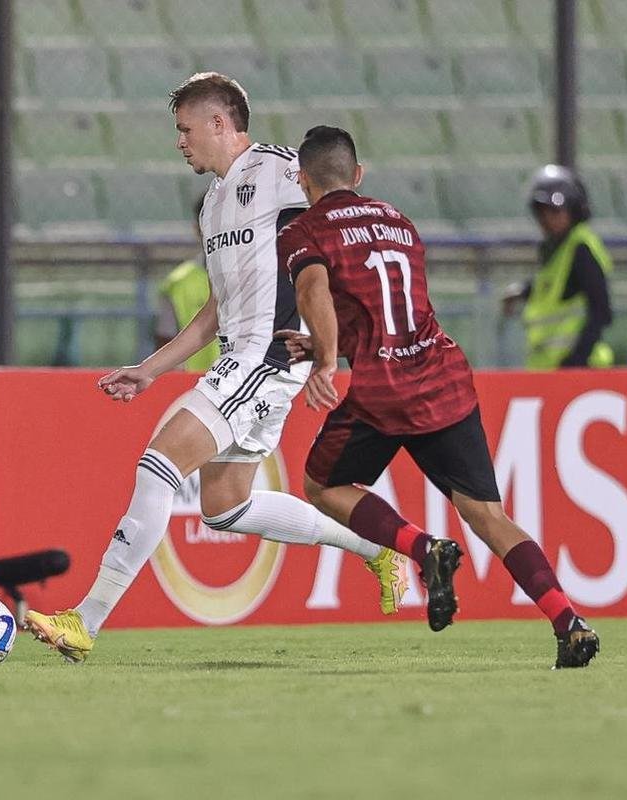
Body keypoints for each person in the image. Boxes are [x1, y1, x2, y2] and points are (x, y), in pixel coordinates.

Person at [22, 74, 408, 663]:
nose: (180, 142)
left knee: (158, 465)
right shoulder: (213, 206)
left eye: (185, 130)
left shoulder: (280, 169)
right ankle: (377, 548)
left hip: (265, 358)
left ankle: (86, 621)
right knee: (225, 506)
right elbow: (213, 311)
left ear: (221, 124)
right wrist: (149, 370)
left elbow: (344, 211)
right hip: (242, 357)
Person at [275, 126, 600, 668]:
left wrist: (326, 358)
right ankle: (568, 620)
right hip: (442, 377)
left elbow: (312, 290)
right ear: (358, 176)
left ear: (302, 179)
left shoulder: (304, 231)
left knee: (321, 484)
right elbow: (393, 316)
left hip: (383, 392)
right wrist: (323, 346)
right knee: (490, 517)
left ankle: (424, 549)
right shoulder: (400, 222)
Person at [503, 164, 614, 370]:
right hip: (547, 370)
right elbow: (555, 286)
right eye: (541, 212)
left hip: (577, 369)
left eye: (555, 211)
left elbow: (600, 311)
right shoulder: (555, 249)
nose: (547, 219)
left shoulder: (580, 247)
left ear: (573, 208)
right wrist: (524, 291)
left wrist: (576, 362)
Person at [154, 193, 220, 370]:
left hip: (248, 382)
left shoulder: (263, 273)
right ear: (197, 229)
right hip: (193, 384)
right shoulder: (177, 282)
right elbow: (165, 339)